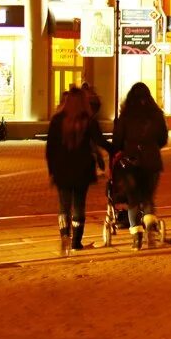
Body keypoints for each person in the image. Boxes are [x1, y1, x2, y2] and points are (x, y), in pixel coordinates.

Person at [46, 88, 113, 254]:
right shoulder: (88, 120)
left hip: (62, 169)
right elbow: (100, 141)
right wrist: (116, 148)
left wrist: (52, 170)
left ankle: (63, 236)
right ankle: (76, 242)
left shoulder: (57, 120)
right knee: (79, 205)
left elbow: (50, 149)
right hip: (82, 169)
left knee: (64, 205)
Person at [113, 82, 169, 251]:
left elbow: (117, 141)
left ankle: (136, 238)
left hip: (130, 162)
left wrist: (121, 150)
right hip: (151, 161)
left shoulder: (126, 115)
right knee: (147, 198)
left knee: (133, 200)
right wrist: (151, 147)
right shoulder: (156, 114)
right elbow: (163, 139)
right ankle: (150, 228)